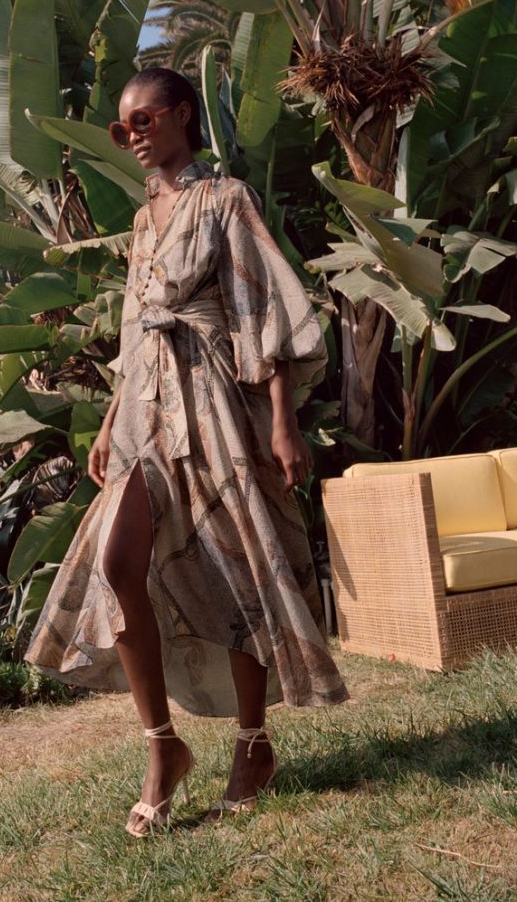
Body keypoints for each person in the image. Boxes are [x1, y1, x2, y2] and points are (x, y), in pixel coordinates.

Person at [23, 66, 350, 837]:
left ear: (180, 116)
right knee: (117, 562)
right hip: (144, 409)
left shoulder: (225, 199)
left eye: (143, 120)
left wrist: (283, 421)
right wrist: (111, 417)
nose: (131, 136)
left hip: (215, 401)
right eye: (121, 127)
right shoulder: (144, 222)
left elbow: (261, 309)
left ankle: (252, 742)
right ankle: (162, 746)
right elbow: (136, 326)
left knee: (238, 570)